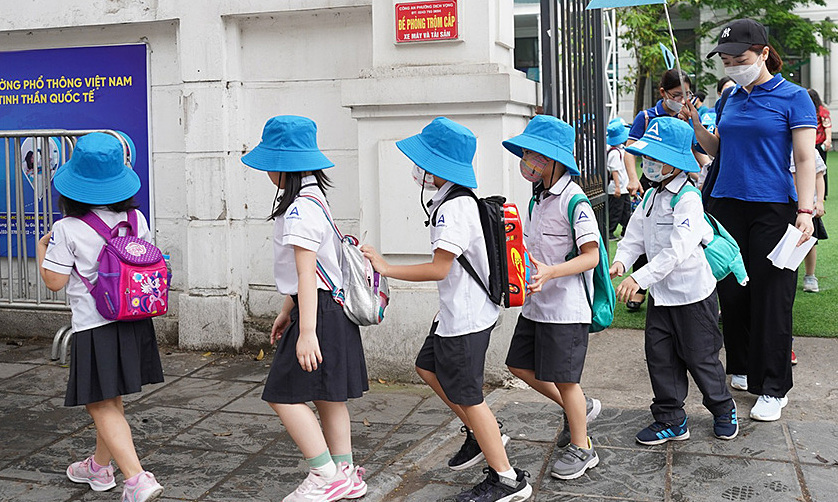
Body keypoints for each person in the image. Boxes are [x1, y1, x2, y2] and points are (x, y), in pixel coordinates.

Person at [362, 117, 532, 502]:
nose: (418, 169)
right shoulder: (453, 200)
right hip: (457, 314)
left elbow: (440, 268)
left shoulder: (454, 208)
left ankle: (507, 479)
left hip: (465, 320)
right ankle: (479, 431)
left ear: (438, 166)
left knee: (471, 397)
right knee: (428, 367)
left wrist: (386, 267)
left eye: (424, 161)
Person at [688, 18, 816, 422]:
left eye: (738, 58)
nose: (731, 65)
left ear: (763, 53)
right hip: (725, 206)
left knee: (772, 297)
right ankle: (741, 368)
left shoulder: (794, 97)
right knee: (733, 292)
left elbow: (805, 158)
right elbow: (720, 148)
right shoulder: (730, 99)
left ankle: (774, 387)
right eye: (725, 59)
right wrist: (695, 123)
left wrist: (806, 211)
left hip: (774, 208)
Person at [242, 115, 369, 502]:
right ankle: (345, 472)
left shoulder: (300, 208)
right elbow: (309, 271)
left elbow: (308, 272)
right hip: (325, 309)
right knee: (331, 397)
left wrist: (307, 331)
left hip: (319, 314)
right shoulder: (315, 199)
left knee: (282, 395)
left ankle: (324, 474)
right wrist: (287, 309)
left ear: (283, 165)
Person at [36, 132, 165, 502]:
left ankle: (137, 478)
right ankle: (98, 467)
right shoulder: (136, 219)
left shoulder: (66, 229)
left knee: (98, 402)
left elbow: (56, 282)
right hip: (136, 320)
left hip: (96, 327)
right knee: (111, 399)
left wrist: (42, 247)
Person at [612, 117, 738, 445]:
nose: (648, 164)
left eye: (655, 158)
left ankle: (723, 409)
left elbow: (678, 251)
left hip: (693, 296)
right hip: (662, 297)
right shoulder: (652, 196)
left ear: (674, 162)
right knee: (660, 357)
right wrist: (620, 262)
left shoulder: (688, 199)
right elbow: (635, 234)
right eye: (647, 158)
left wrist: (639, 278)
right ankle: (670, 419)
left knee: (701, 357)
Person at [502, 115, 602, 480]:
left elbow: (592, 255)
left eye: (535, 153)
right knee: (518, 365)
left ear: (555, 159)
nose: (528, 159)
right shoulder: (537, 199)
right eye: (527, 152)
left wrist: (550, 272)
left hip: (566, 308)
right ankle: (580, 409)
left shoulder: (574, 201)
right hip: (536, 304)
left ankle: (583, 447)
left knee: (566, 380)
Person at [623, 69, 693, 312]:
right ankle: (640, 287)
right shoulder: (646, 117)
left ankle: (677, 282)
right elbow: (630, 150)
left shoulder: (688, 117)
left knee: (678, 235)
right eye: (676, 95)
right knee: (645, 231)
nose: (682, 100)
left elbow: (696, 154)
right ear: (663, 92)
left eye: (687, 95)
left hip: (679, 181)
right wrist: (633, 179)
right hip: (651, 179)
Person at [790, 150, 828, 293]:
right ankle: (785, 275)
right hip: (784, 206)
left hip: (807, 208)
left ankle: (810, 275)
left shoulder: (811, 151)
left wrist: (819, 201)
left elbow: (819, 177)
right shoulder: (778, 145)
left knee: (809, 242)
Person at [606, 118, 631, 240]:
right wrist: (617, 187)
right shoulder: (614, 153)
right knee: (616, 211)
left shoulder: (620, 150)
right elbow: (614, 170)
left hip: (623, 187)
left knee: (626, 211)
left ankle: (625, 231)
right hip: (617, 187)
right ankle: (610, 231)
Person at [809, 88, 831, 198]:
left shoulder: (822, 111)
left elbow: (827, 126)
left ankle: (823, 192)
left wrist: (828, 139)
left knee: (821, 168)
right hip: (811, 142)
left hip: (819, 142)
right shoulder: (809, 109)